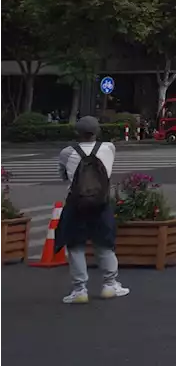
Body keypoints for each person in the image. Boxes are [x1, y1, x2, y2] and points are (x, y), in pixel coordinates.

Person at [55, 117, 129, 304]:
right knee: (104, 244)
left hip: (75, 204)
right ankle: (110, 285)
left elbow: (63, 176)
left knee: (75, 246)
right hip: (101, 204)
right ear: (97, 131)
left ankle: (80, 289)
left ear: (76, 133)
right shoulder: (108, 148)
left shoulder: (67, 152)